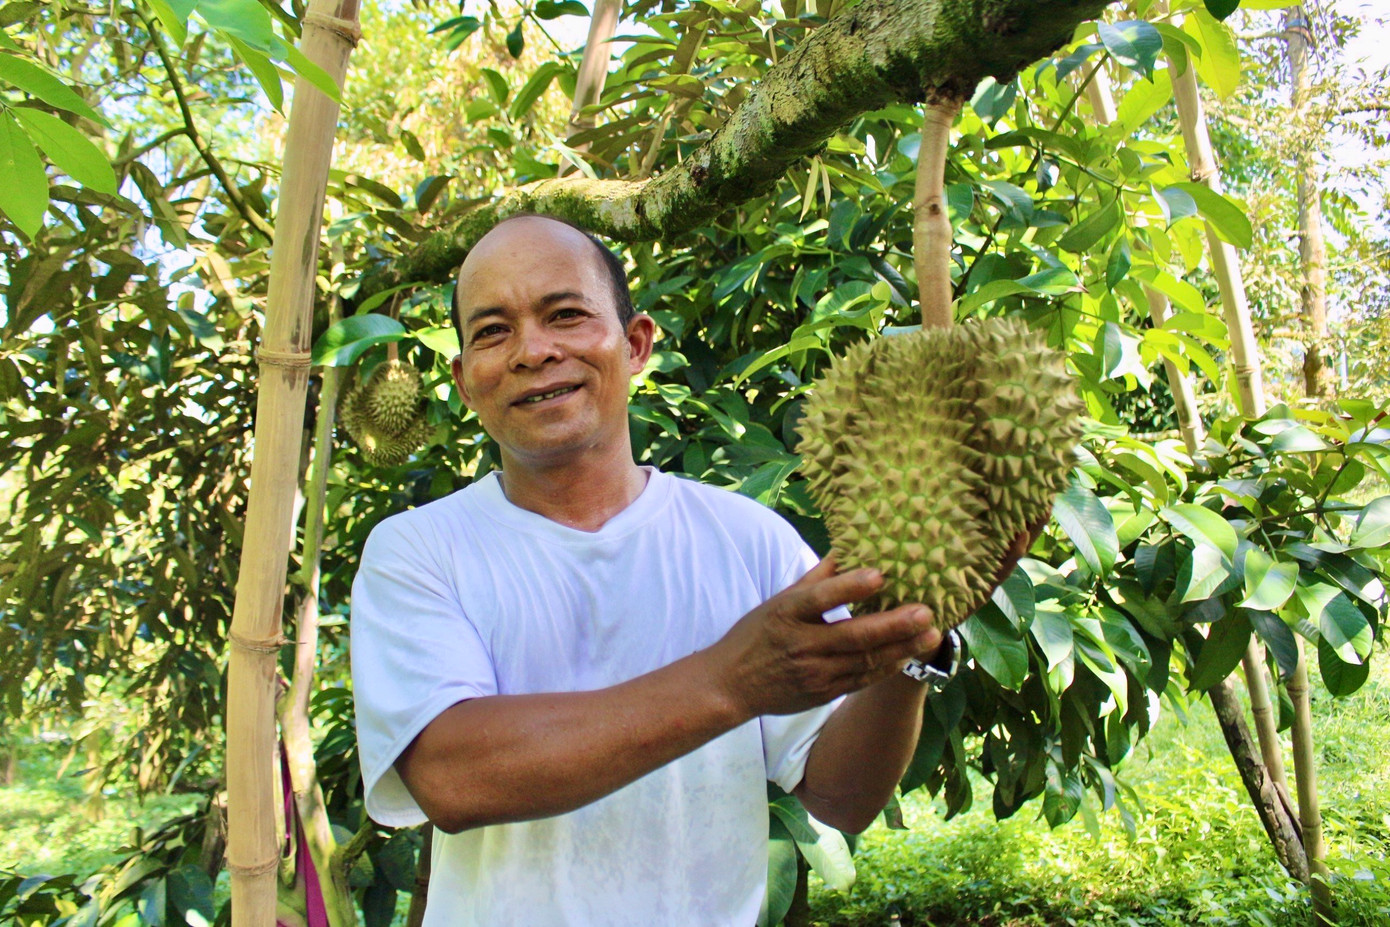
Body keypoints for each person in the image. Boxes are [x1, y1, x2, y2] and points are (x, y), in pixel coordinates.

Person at [351, 214, 1024, 924]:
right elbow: (453, 777)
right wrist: (732, 678)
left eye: (566, 315)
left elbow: (842, 796)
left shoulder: (747, 539)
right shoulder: (418, 550)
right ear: (464, 381)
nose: (533, 350)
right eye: (493, 331)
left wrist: (913, 636)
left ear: (636, 344)